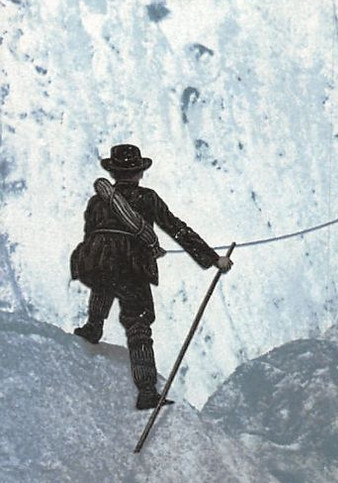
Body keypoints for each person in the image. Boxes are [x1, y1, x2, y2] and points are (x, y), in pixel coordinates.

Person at [70, 144, 233, 409]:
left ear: (114, 172)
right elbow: (177, 229)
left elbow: (92, 231)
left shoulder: (97, 200)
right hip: (130, 264)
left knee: (105, 283)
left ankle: (93, 326)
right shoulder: (147, 198)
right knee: (139, 321)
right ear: (139, 172)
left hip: (95, 259)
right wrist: (213, 258)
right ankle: (146, 391)